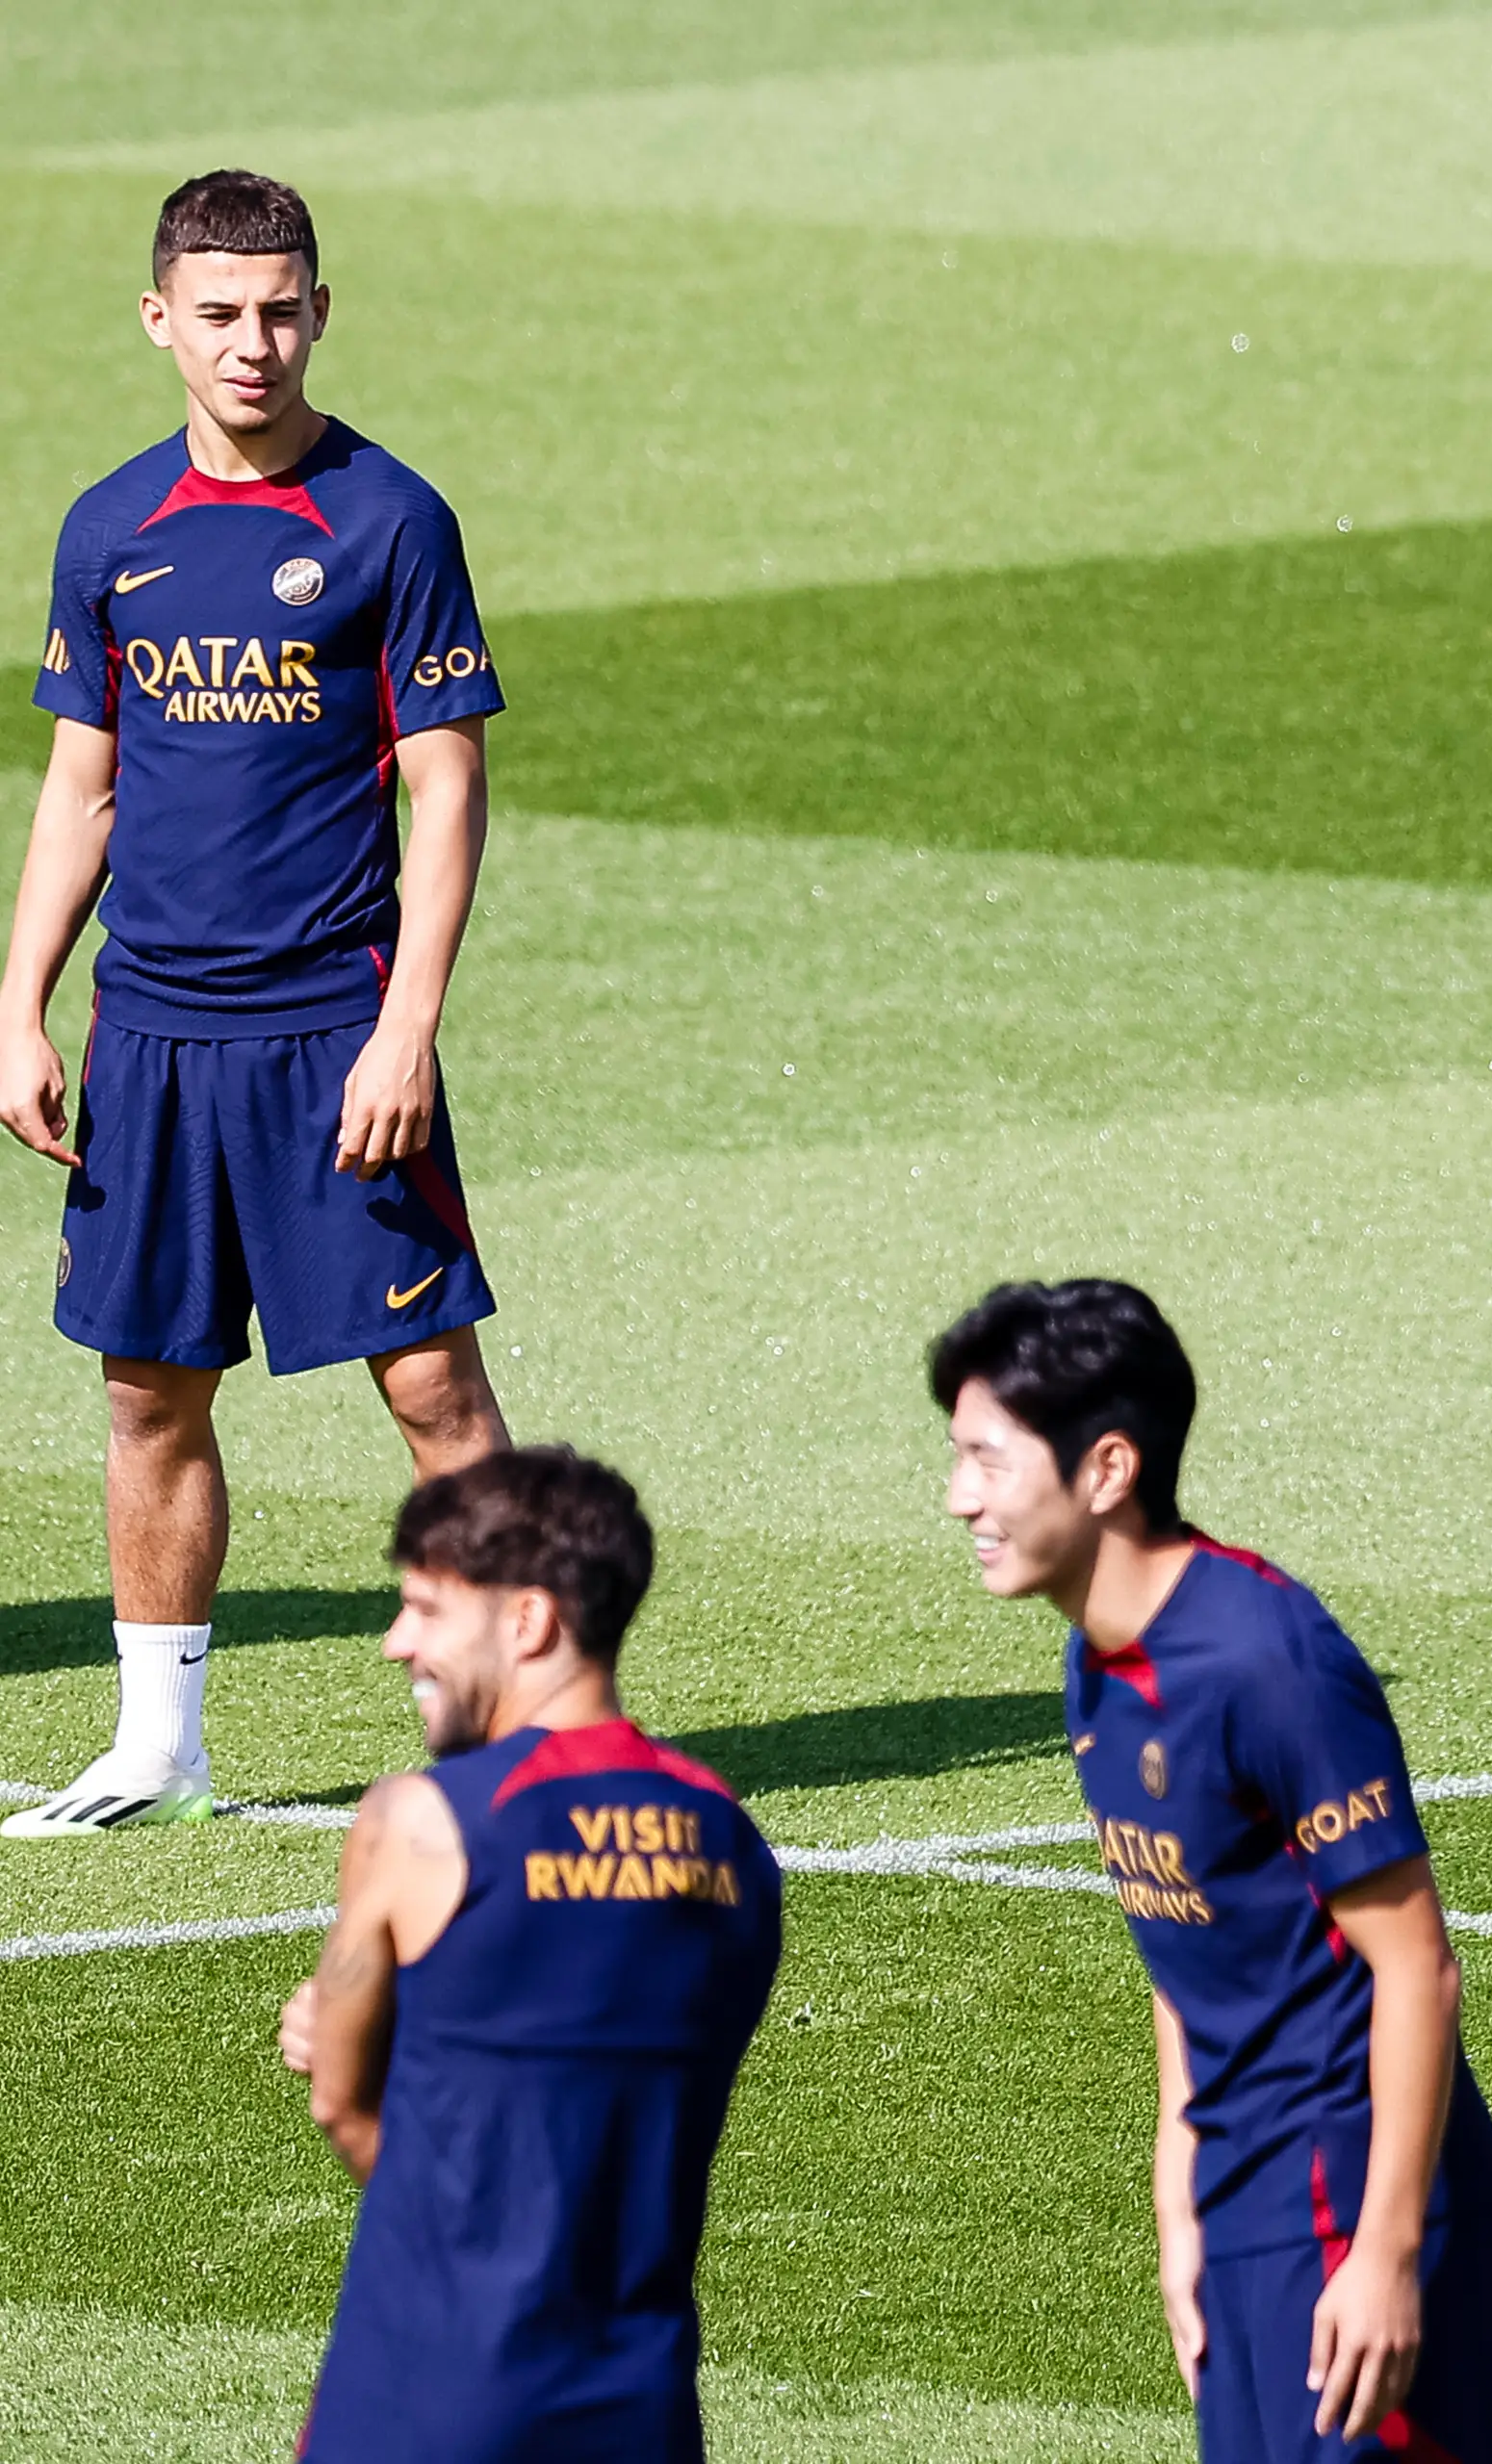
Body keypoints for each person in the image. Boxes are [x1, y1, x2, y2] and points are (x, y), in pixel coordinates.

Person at [7, 169, 509, 1838]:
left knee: (432, 1387)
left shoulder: (388, 520)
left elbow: (448, 791)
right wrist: (23, 1004)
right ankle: (159, 1745)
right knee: (148, 1387)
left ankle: (522, 1732)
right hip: (149, 1040)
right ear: (161, 319)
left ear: (321, 313)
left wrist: (406, 1028)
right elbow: (81, 790)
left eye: (283, 308)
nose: (255, 343)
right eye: (221, 312)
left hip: (329, 1032)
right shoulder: (111, 530)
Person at [935, 1279, 1492, 2464]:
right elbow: (1184, 1948)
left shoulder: (1268, 1658)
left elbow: (1417, 1967)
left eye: (989, 1462)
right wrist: (1178, 2196)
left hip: (1346, 2182)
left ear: (1105, 1469)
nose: (961, 1500)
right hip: (1244, 2194)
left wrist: (1384, 2252)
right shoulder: (1097, 1662)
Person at [278, 1448, 780, 2462]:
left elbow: (343, 2100)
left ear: (529, 1620)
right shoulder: (734, 1843)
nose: (395, 1642)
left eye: (425, 1608)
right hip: (639, 2401)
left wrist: (356, 2035)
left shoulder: (421, 1824)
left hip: (433, 2387)